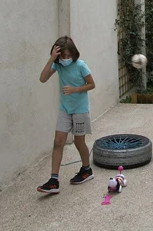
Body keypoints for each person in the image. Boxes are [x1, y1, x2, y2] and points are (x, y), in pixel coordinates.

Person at [37, 36, 96, 194]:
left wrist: (74, 89)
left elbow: (92, 84)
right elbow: (42, 79)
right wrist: (52, 59)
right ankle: (53, 180)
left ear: (73, 54)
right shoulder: (58, 66)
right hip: (65, 109)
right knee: (58, 142)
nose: (65, 59)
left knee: (79, 142)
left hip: (80, 110)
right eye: (62, 56)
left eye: (68, 56)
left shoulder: (80, 65)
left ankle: (86, 169)